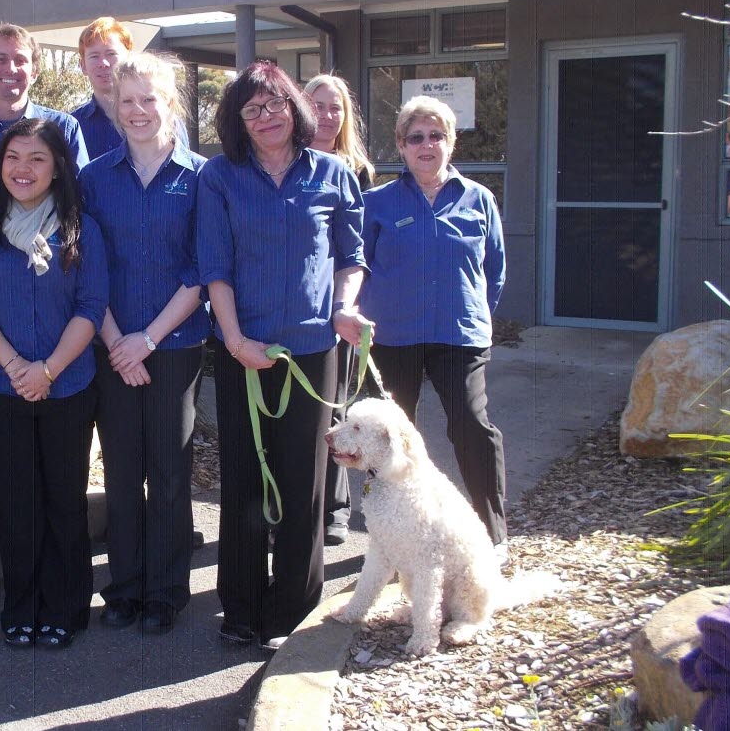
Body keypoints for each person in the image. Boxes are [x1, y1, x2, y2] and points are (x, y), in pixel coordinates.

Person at [196, 61, 369, 652]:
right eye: (251, 109)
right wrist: (236, 339)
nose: (264, 116)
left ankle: (291, 610)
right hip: (242, 351)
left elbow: (350, 256)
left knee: (304, 482)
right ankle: (241, 610)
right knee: (244, 479)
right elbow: (213, 266)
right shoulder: (219, 177)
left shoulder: (333, 173)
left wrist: (344, 307)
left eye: (273, 104)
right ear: (237, 121)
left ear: (294, 109)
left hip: (313, 350)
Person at [0, 118, 109, 650]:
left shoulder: (81, 228)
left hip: (69, 384)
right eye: (14, 157)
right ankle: (21, 608)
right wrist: (17, 366)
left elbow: (91, 306)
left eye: (37, 158)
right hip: (2, 385)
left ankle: (66, 608)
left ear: (59, 166)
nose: (24, 168)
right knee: (17, 505)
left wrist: (48, 370)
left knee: (64, 501)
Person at [80, 51, 207, 635]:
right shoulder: (94, 178)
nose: (136, 111)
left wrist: (147, 340)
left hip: (175, 345)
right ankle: (125, 588)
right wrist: (116, 343)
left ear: (170, 103)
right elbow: (86, 270)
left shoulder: (202, 177)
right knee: (124, 472)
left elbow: (202, 271)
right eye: (126, 100)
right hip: (110, 344)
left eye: (148, 99)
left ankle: (166, 590)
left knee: (170, 469)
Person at [358, 95, 508, 558]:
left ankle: (491, 535)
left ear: (451, 142)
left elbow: (494, 270)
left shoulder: (478, 199)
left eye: (436, 136)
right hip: (393, 336)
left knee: (471, 425)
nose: (427, 145)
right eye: (415, 137)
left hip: (458, 335)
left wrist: (475, 313)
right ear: (401, 146)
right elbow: (354, 267)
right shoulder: (377, 204)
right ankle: (389, 536)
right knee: (387, 439)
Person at [302, 73, 376, 546]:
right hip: (300, 306)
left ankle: (334, 506)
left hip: (342, 307)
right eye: (319, 105)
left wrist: (347, 303)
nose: (327, 116)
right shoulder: (287, 163)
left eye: (336, 108)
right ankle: (298, 505)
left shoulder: (358, 171)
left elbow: (358, 247)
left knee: (337, 405)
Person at [0, 23, 91, 175]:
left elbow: (80, 194)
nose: (11, 69)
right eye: (1, 59)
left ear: (34, 74)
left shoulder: (64, 128)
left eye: (20, 60)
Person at [71, 17, 133, 161]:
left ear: (129, 59)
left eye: (111, 54)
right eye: (94, 56)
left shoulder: (155, 120)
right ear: (83, 65)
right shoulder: (72, 126)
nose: (103, 63)